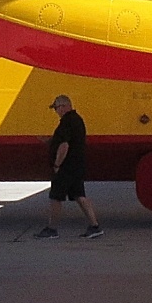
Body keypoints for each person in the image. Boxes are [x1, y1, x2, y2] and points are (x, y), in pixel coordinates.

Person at [36, 95, 103, 239]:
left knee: (56, 197)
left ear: (64, 106)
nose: (56, 111)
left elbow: (64, 145)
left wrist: (57, 165)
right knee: (80, 196)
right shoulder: (77, 120)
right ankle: (95, 226)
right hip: (77, 166)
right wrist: (50, 141)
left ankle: (51, 229)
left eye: (56, 107)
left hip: (66, 167)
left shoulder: (66, 122)